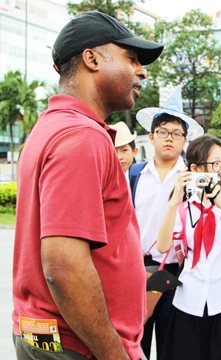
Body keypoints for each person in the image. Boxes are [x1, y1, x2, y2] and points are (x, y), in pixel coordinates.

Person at [12, 11, 163, 360]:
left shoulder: (52, 127)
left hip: (51, 336)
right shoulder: (81, 136)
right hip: (78, 345)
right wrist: (114, 354)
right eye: (131, 58)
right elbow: (63, 268)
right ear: (92, 59)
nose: (142, 71)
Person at [156, 135, 221, 360]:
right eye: (215, 164)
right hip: (190, 299)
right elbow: (163, 246)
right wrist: (174, 202)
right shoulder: (183, 209)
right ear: (195, 168)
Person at [132, 87, 204, 359]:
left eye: (177, 134)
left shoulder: (191, 178)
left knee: (172, 343)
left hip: (175, 272)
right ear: (151, 137)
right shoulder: (135, 174)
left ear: (185, 140)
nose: (169, 138)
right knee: (135, 341)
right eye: (163, 132)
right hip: (136, 268)